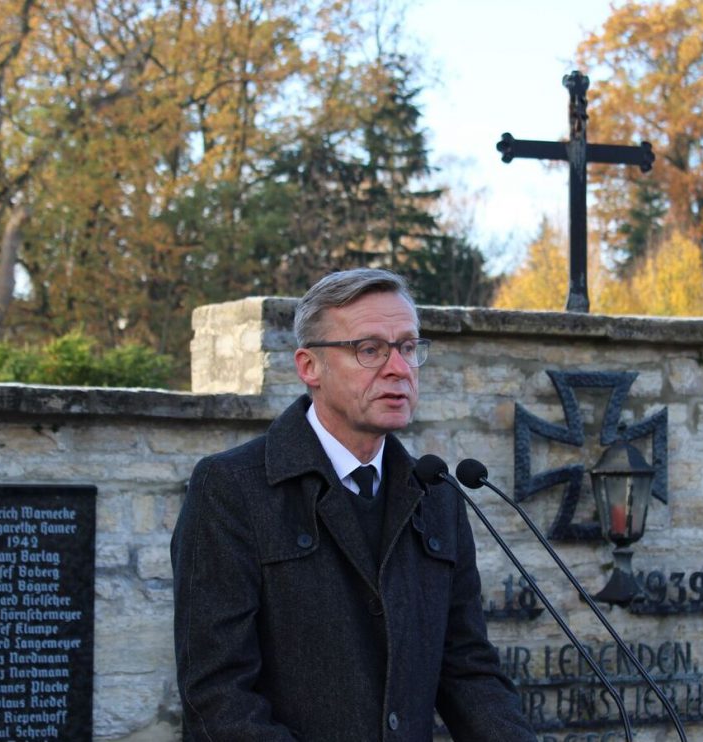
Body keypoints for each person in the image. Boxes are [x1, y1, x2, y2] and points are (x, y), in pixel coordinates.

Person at [172, 269, 535, 741]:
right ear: (309, 366)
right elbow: (216, 698)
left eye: (407, 347)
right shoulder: (231, 489)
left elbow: (468, 671)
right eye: (370, 350)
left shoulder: (438, 494)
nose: (399, 368)